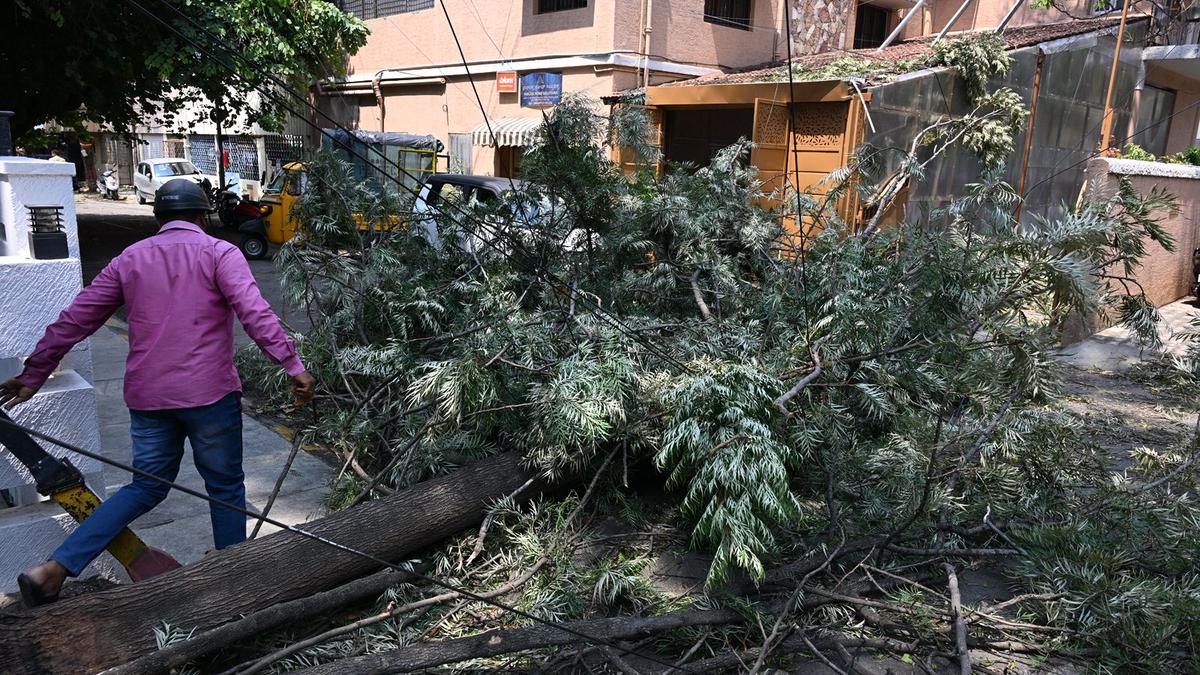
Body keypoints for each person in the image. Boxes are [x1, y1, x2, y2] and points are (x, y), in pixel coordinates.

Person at [0, 179, 315, 607]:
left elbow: (76, 318)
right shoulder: (220, 252)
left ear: (159, 219)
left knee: (144, 488)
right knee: (224, 488)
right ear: (204, 217)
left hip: (149, 400)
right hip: (210, 396)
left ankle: (53, 569)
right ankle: (234, 585)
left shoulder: (130, 258)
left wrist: (35, 372)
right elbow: (255, 313)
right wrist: (292, 365)